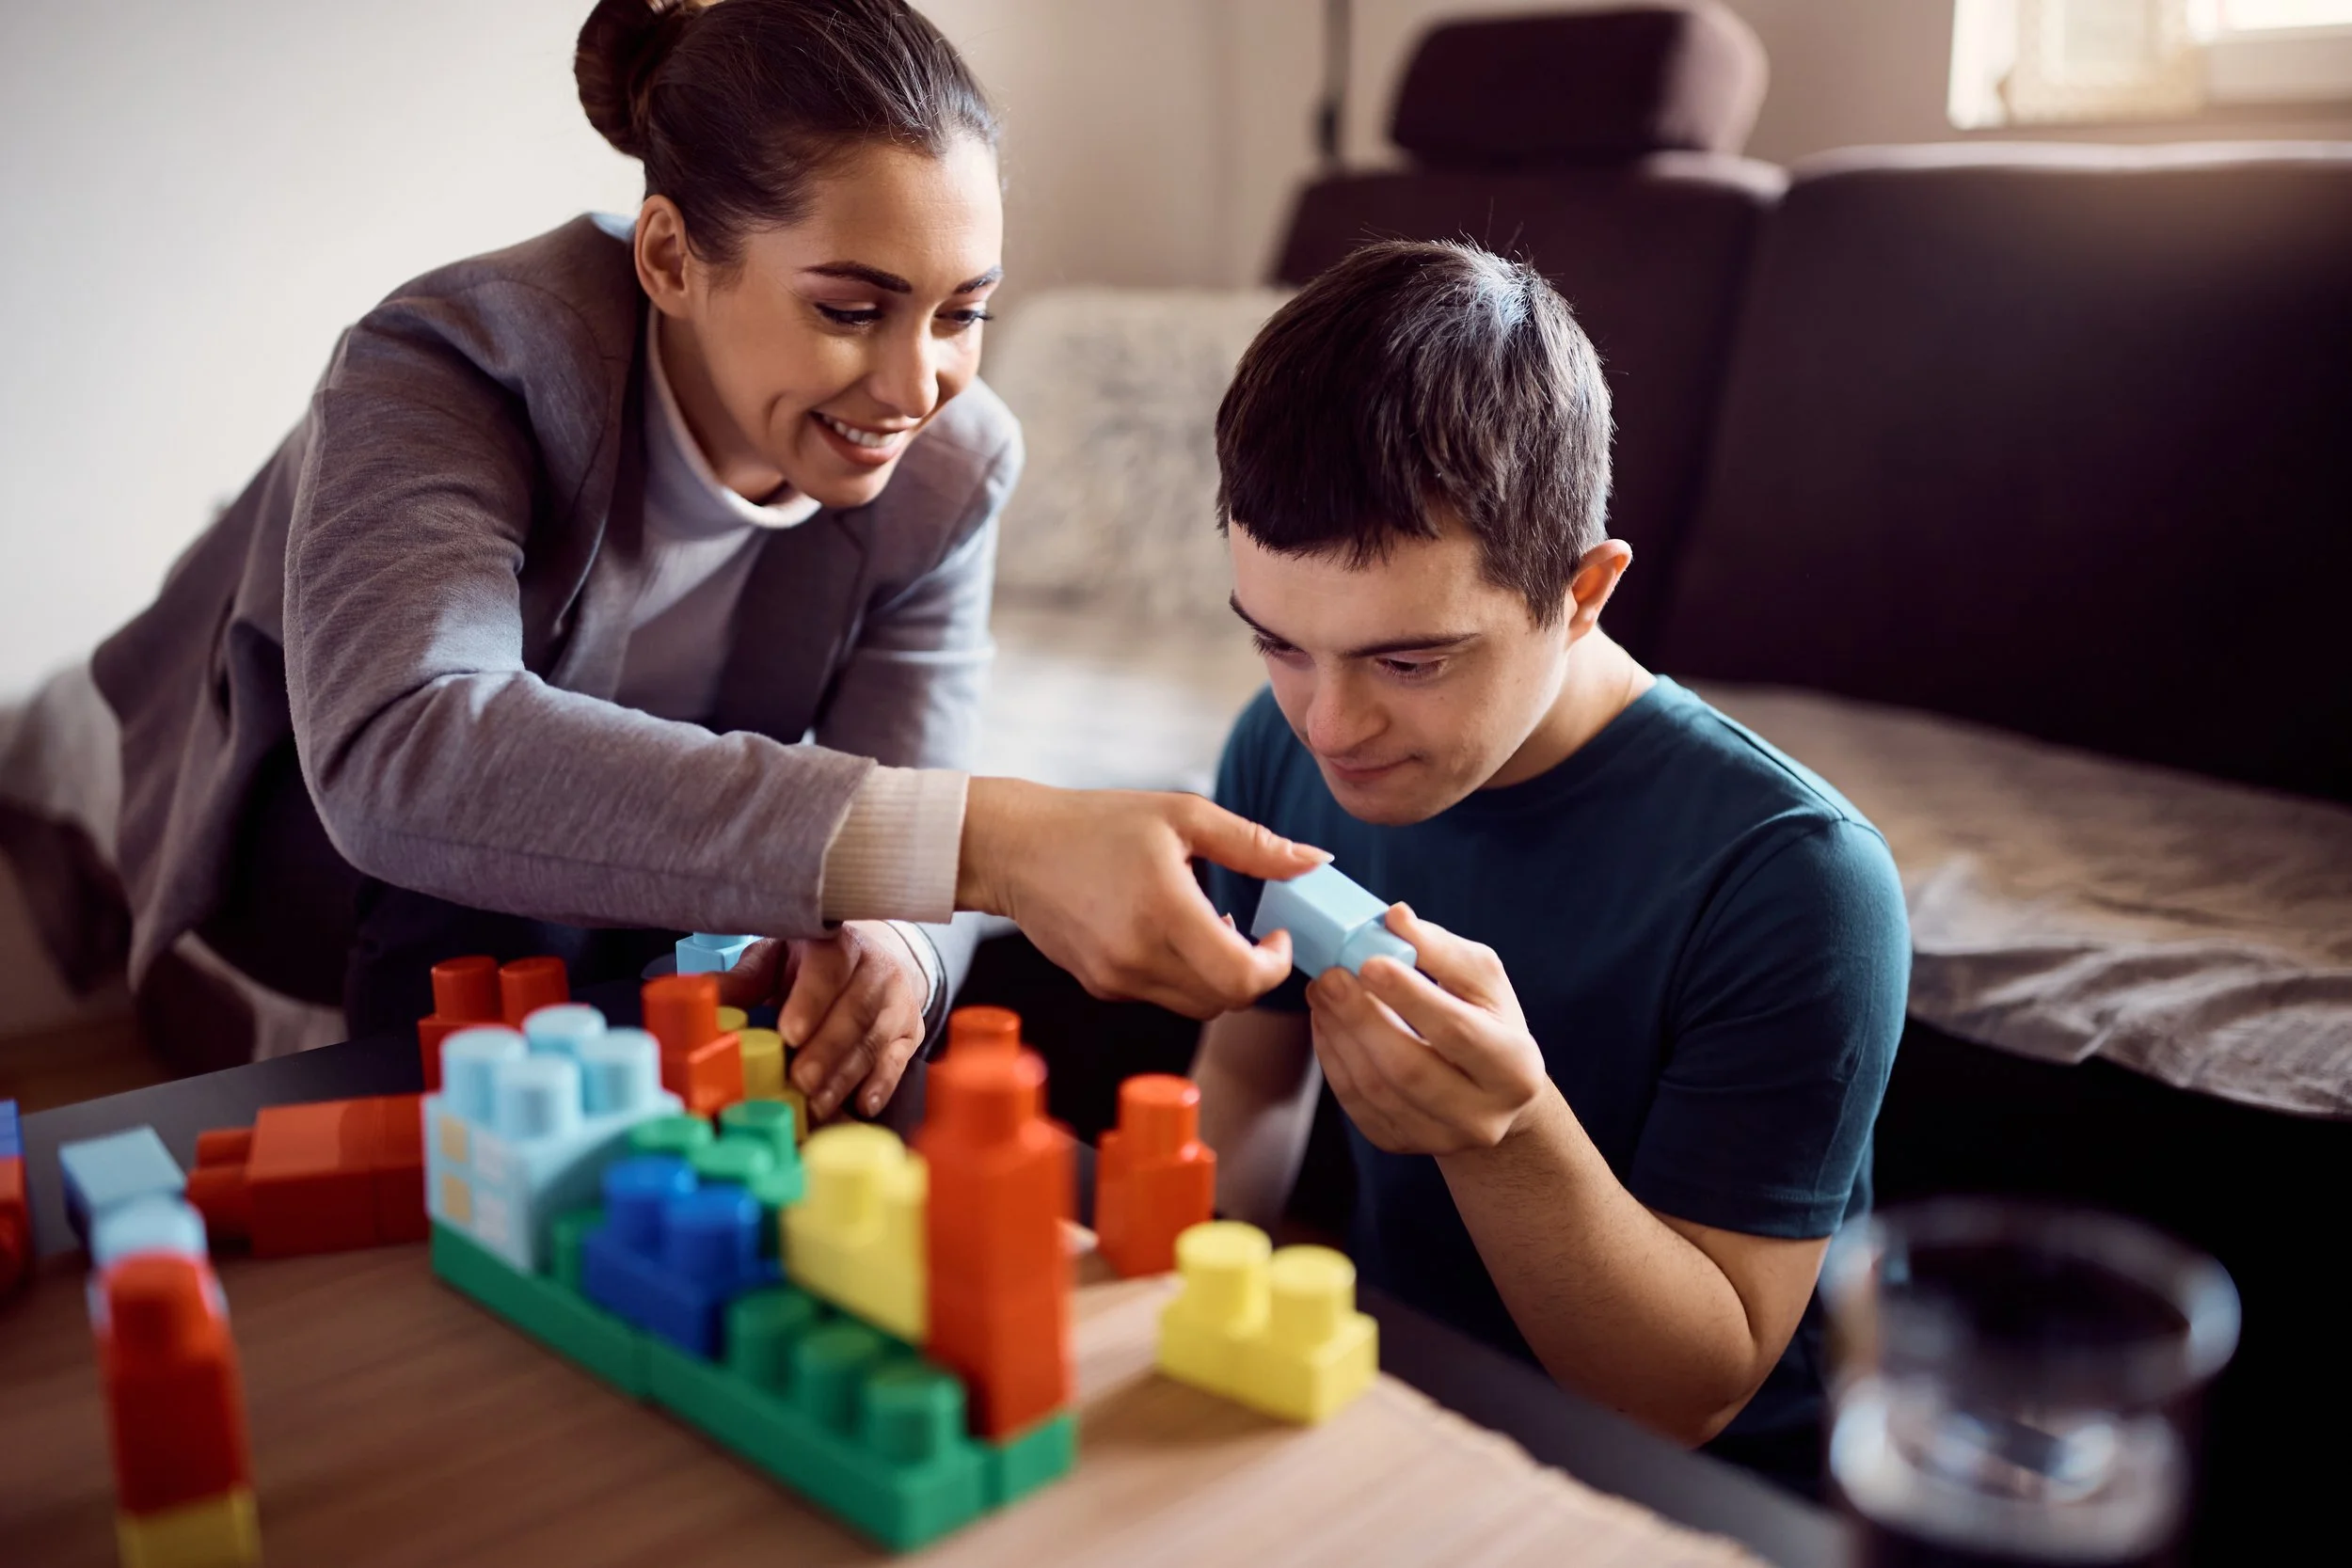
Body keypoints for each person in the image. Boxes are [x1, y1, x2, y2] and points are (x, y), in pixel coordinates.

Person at [92, 0, 1317, 1121]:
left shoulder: (955, 463)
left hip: (630, 867)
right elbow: (406, 745)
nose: (915, 386)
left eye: (962, 314)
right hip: (346, 854)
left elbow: (899, 780)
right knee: (508, 913)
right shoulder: (456, 361)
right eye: (849, 309)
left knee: (827, 964)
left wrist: (897, 940)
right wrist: (990, 845)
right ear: (672, 259)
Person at [1192, 241, 1910, 1492]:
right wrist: (1190, 1314)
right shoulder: (1280, 746)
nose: (1328, 724)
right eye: (1280, 643)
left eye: (1409, 661)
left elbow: (1695, 1391)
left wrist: (1505, 1133)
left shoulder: (1796, 880)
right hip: (1403, 1395)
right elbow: (1250, 1075)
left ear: (1583, 592)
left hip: (1699, 1492)